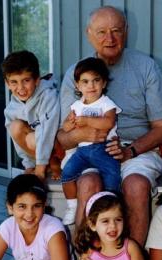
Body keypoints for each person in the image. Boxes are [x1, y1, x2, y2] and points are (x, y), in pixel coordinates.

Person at [57, 6, 162, 246]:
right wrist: (82, 133)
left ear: (126, 32)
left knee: (136, 186)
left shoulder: (146, 67)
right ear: (89, 34)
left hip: (137, 149)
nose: (109, 38)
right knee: (89, 184)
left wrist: (130, 151)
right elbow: (62, 136)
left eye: (116, 31)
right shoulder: (76, 74)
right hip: (89, 148)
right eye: (101, 32)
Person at [61, 57, 122, 226]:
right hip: (82, 150)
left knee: (112, 176)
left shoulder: (106, 103)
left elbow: (108, 123)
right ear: (78, 86)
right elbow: (65, 127)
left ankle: (112, 204)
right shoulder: (76, 105)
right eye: (85, 82)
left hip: (103, 149)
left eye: (96, 81)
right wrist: (70, 123)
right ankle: (72, 206)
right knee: (67, 173)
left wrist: (87, 121)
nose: (91, 86)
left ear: (103, 83)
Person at [2, 50, 62, 180]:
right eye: (14, 82)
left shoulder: (48, 96)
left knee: (33, 138)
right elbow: (16, 140)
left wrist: (40, 170)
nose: (21, 88)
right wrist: (29, 165)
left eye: (26, 80)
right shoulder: (12, 108)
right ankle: (41, 164)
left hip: (59, 146)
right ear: (7, 84)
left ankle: (52, 163)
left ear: (37, 79)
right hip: (41, 149)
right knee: (15, 127)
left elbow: (47, 131)